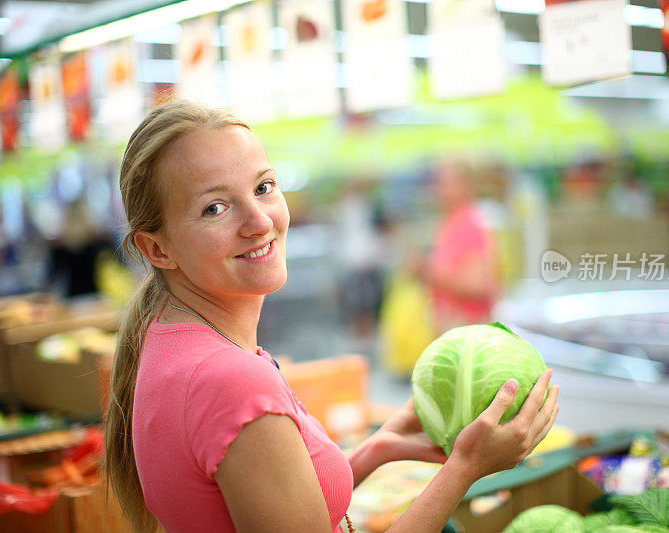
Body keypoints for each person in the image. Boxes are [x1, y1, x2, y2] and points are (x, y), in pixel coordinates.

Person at [104, 100, 560, 533]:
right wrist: (465, 469)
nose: (260, 221)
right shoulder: (231, 380)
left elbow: (267, 504)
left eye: (263, 187)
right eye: (215, 207)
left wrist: (374, 452)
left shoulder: (167, 340)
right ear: (155, 248)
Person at [426, 158, 498, 334]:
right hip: (454, 327)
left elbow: (478, 283)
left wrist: (435, 274)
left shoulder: (470, 224)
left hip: (467, 329)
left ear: (466, 186)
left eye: (447, 184)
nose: (440, 190)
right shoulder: (449, 223)